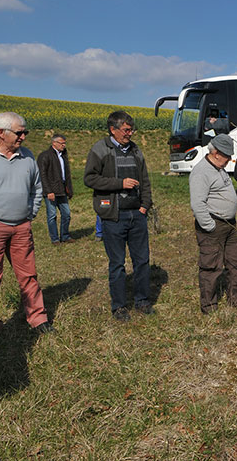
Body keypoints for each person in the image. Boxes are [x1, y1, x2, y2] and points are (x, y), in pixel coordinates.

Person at [0, 112, 52, 337]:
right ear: (1, 133)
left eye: (25, 132)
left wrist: (29, 214)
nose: (23, 137)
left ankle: (38, 318)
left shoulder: (28, 156)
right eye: (19, 132)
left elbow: (37, 188)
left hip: (22, 227)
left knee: (28, 275)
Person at [84, 111, 153, 322]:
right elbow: (89, 178)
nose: (130, 133)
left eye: (131, 129)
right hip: (113, 217)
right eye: (126, 130)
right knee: (117, 264)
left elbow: (145, 179)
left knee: (142, 261)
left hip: (137, 215)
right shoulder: (100, 149)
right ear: (113, 129)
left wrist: (145, 206)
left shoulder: (135, 150)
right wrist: (119, 184)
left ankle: (142, 301)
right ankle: (119, 307)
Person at [189, 134, 237, 314]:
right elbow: (198, 204)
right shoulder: (201, 172)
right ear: (216, 153)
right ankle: (209, 306)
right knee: (211, 266)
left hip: (230, 225)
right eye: (227, 156)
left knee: (236, 262)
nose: (229, 160)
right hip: (213, 225)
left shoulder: (219, 168)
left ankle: (236, 300)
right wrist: (209, 225)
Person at [37, 133, 74, 244]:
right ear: (54, 143)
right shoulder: (45, 156)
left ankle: (65, 236)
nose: (64, 145)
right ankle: (55, 238)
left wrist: (69, 189)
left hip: (62, 190)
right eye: (61, 143)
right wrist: (48, 191)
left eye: (64, 143)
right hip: (51, 191)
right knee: (52, 215)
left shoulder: (63, 155)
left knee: (66, 214)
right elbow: (42, 175)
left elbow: (66, 175)